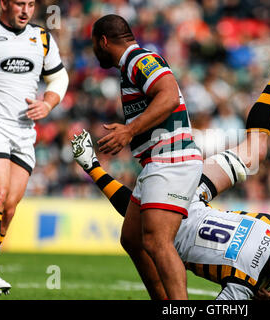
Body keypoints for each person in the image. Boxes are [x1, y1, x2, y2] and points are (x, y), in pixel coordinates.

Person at [72, 51, 270, 299]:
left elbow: (261, 249)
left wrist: (268, 273)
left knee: (253, 150)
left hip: (195, 195)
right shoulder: (244, 284)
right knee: (143, 228)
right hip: (176, 228)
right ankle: (92, 165)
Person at [91, 14, 204, 300]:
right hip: (157, 161)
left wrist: (129, 131)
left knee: (157, 241)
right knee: (132, 239)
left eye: (94, 44)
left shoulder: (139, 59)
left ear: (103, 41)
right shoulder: (133, 63)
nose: (94, 51)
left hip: (171, 158)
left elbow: (168, 95)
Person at [0, 0, 68, 296]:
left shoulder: (42, 38)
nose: (26, 10)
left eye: (31, 4)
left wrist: (48, 102)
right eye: (20, 3)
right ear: (4, 3)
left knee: (9, 208)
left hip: (23, 133)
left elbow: (58, 77)